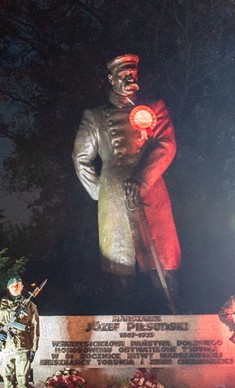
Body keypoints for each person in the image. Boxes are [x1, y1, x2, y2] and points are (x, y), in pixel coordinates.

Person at [72, 53, 181, 312]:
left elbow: (167, 145)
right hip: (113, 197)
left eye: (134, 74)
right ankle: (120, 314)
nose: (131, 78)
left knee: (163, 253)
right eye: (124, 75)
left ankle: (173, 307)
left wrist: (142, 179)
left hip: (151, 189)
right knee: (117, 261)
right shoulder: (96, 116)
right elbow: (80, 157)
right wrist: (100, 192)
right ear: (111, 79)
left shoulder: (154, 107)